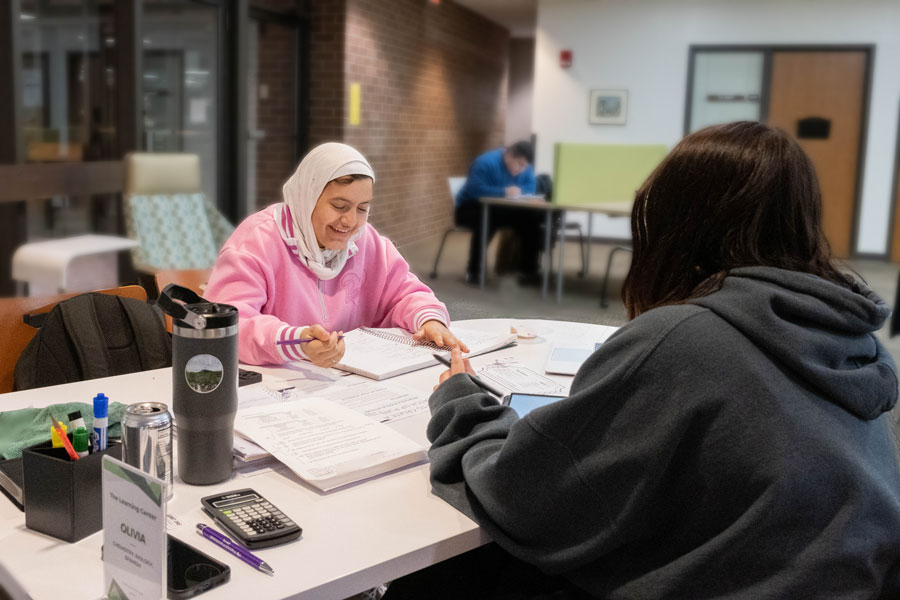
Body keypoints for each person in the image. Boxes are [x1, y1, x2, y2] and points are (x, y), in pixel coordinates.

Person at [387, 122, 900, 598]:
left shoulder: (686, 338)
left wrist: (461, 403)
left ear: (680, 220)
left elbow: (525, 497)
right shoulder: (852, 338)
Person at [204, 142, 468, 367]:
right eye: (339, 205)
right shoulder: (257, 242)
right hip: (275, 382)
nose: (350, 221)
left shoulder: (367, 241)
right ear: (307, 197)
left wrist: (430, 319)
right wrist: (296, 342)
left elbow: (406, 293)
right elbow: (228, 323)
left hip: (347, 382)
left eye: (362, 208)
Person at [455, 141, 544, 285]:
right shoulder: (485, 162)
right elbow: (474, 190)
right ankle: (473, 271)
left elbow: (531, 187)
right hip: (470, 208)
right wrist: (503, 192)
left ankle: (528, 272)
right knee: (487, 219)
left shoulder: (525, 167)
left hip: (502, 209)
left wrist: (520, 191)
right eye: (519, 164)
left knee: (531, 221)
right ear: (509, 156)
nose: (522, 169)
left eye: (524, 166)